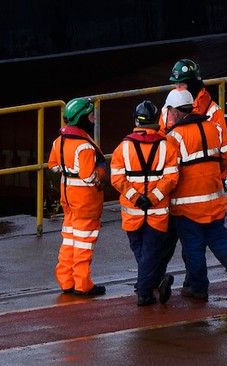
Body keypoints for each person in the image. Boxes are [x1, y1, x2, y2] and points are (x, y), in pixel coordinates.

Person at [163, 85, 227, 303]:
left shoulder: (174, 137)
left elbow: (171, 172)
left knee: (193, 245)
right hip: (215, 197)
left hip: (187, 204)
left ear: (174, 112)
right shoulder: (213, 127)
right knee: (220, 238)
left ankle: (198, 288)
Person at [110, 99, 180, 307]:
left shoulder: (122, 148)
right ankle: (152, 284)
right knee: (151, 252)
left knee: (140, 251)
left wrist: (136, 197)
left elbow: (116, 178)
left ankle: (144, 293)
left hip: (132, 212)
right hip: (157, 212)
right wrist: (152, 198)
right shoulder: (167, 147)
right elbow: (172, 179)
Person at [45, 97, 107, 297]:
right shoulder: (85, 146)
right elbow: (89, 176)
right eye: (91, 116)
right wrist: (101, 172)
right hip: (85, 200)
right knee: (84, 242)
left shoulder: (59, 141)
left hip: (67, 197)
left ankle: (66, 280)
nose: (93, 119)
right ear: (82, 119)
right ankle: (83, 285)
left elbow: (53, 166)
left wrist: (69, 169)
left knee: (69, 239)